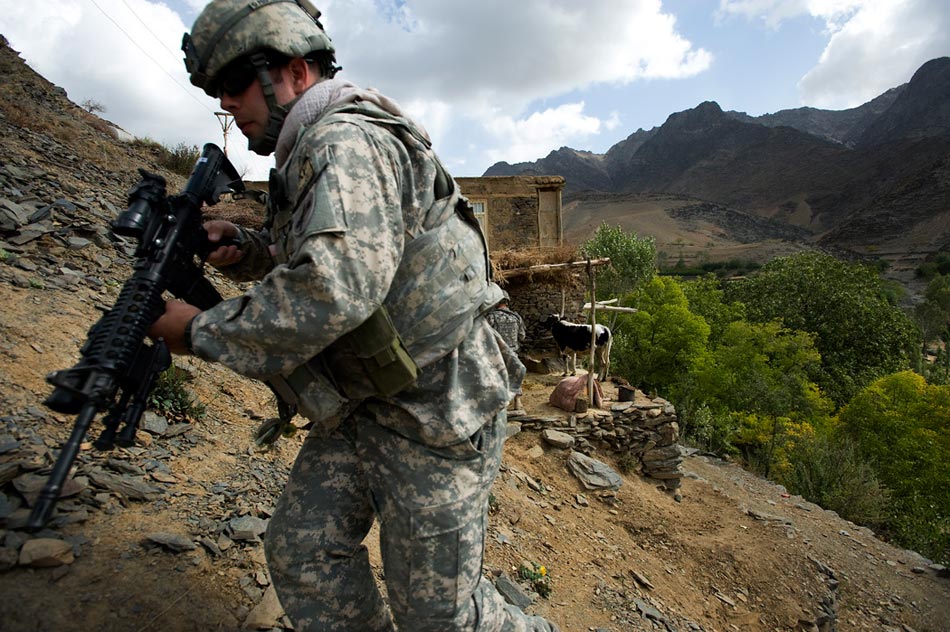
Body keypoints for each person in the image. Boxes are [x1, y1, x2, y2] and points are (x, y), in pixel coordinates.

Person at [149, 1, 559, 630]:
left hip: (437, 411)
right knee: (305, 555)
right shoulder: (310, 148)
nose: (226, 104)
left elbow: (333, 290)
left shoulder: (345, 144)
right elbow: (336, 253)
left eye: (232, 85)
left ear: (291, 70)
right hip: (366, 402)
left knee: (440, 619)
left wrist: (197, 330)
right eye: (215, 92)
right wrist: (251, 249)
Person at [485, 291, 526, 411]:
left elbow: (485, 336)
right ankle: (517, 402)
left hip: (497, 353)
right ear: (507, 302)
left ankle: (499, 405)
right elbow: (522, 336)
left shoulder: (491, 317)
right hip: (513, 353)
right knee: (514, 375)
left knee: (496, 377)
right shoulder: (516, 317)